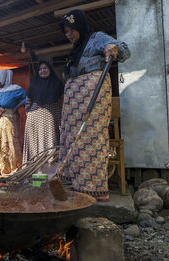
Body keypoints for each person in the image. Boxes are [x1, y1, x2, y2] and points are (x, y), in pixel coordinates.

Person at [58, 10, 130, 201]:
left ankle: (91, 189)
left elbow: (123, 49)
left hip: (92, 92)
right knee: (70, 138)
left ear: (79, 25)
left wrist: (111, 47)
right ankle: (72, 183)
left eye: (70, 29)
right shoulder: (75, 50)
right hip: (74, 97)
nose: (68, 34)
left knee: (90, 137)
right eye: (65, 32)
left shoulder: (96, 38)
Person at [23, 61, 64, 165]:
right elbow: (28, 99)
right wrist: (28, 112)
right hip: (34, 120)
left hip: (52, 118)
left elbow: (62, 99)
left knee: (51, 139)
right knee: (35, 143)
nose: (42, 71)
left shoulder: (57, 83)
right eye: (40, 69)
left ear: (50, 69)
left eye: (45, 68)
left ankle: (50, 164)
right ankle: (35, 166)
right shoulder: (34, 84)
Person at [0, 69, 26, 176]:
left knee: (10, 142)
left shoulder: (15, 89)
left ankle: (13, 167)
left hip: (10, 120)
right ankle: (1, 168)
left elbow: (27, 97)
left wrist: (18, 106)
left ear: (2, 80)